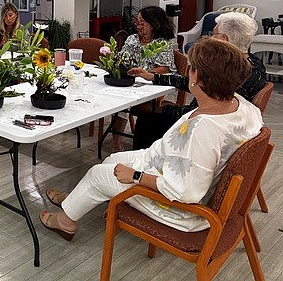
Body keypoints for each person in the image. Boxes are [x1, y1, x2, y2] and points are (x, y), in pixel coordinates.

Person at [40, 37, 262, 241]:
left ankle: (65, 221)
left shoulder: (205, 130)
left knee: (98, 174)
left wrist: (136, 176)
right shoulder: (244, 106)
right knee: (112, 160)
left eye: (191, 69)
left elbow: (187, 192)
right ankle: (75, 200)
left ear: (197, 78)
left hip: (179, 210)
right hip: (165, 167)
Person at [129, 11, 266, 149]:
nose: (211, 38)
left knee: (147, 117)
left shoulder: (233, 72)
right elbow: (197, 85)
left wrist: (161, 109)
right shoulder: (252, 64)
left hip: (203, 128)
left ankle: (145, 160)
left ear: (224, 39)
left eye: (213, 34)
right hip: (215, 122)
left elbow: (197, 114)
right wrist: (153, 77)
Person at [112, 6, 176, 150]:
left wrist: (144, 73)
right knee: (119, 100)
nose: (138, 25)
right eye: (138, 21)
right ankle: (116, 142)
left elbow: (164, 68)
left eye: (142, 22)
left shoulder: (162, 44)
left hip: (150, 87)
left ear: (153, 25)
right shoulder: (132, 39)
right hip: (130, 83)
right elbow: (122, 59)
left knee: (123, 101)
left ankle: (120, 142)